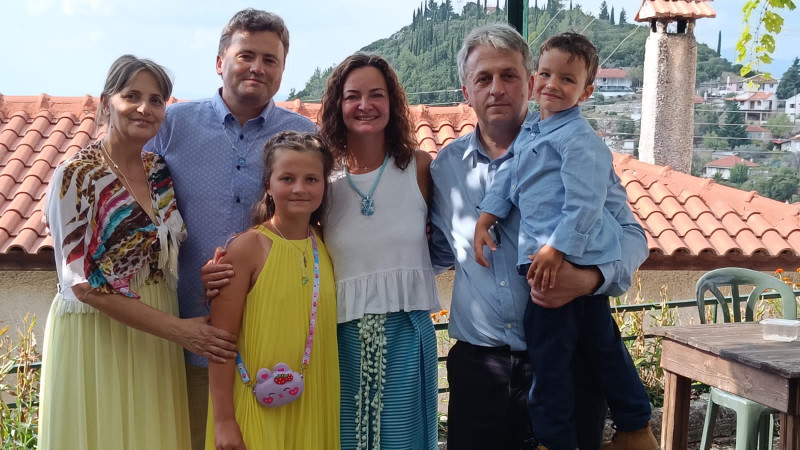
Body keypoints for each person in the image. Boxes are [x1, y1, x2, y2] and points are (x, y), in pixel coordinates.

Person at [428, 24, 650, 450]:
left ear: (527, 82)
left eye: (508, 75)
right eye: (483, 78)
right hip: (479, 371)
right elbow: (437, 251)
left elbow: (631, 235)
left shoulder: (575, 147)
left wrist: (590, 279)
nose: (497, 88)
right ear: (467, 91)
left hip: (567, 363)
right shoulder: (445, 169)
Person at [145, 9, 316, 448]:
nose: (258, 67)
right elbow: (133, 202)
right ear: (220, 62)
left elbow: (316, 225)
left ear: (282, 70)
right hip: (191, 335)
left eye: (270, 59)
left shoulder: (304, 136)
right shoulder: (172, 126)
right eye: (246, 56)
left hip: (275, 341)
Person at [39, 55, 226, 450]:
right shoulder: (76, 175)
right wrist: (180, 331)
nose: (145, 108)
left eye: (156, 100)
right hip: (99, 333)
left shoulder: (158, 170)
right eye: (132, 96)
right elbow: (82, 286)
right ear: (107, 103)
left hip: (155, 333)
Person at [319, 53, 440, 449]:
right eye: (353, 96)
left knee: (404, 440)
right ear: (338, 105)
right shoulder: (323, 180)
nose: (365, 105)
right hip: (341, 335)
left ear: (392, 102)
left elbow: (446, 240)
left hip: (408, 330)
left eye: (376, 94)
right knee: (347, 439)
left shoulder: (420, 167)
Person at [205, 131, 339, 450]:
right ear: (268, 184)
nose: (299, 188)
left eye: (311, 179)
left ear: (324, 185)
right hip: (253, 402)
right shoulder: (247, 248)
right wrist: (224, 420)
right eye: (287, 178)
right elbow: (220, 343)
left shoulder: (326, 244)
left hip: (313, 401)